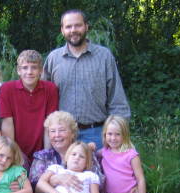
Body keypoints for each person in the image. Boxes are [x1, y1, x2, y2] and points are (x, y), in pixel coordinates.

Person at [42, 9, 131, 148]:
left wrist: (119, 133)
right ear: (62, 30)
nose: (73, 30)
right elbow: (42, 99)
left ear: (86, 26)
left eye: (78, 25)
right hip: (63, 136)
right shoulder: (53, 59)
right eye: (68, 27)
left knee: (98, 171)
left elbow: (116, 98)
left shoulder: (104, 56)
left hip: (97, 133)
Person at [0, 49, 59, 162]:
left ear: (41, 70)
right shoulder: (7, 89)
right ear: (18, 70)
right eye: (25, 67)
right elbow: (7, 124)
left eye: (34, 67)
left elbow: (50, 124)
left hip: (41, 150)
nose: (29, 72)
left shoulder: (50, 89)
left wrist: (45, 156)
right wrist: (13, 154)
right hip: (16, 150)